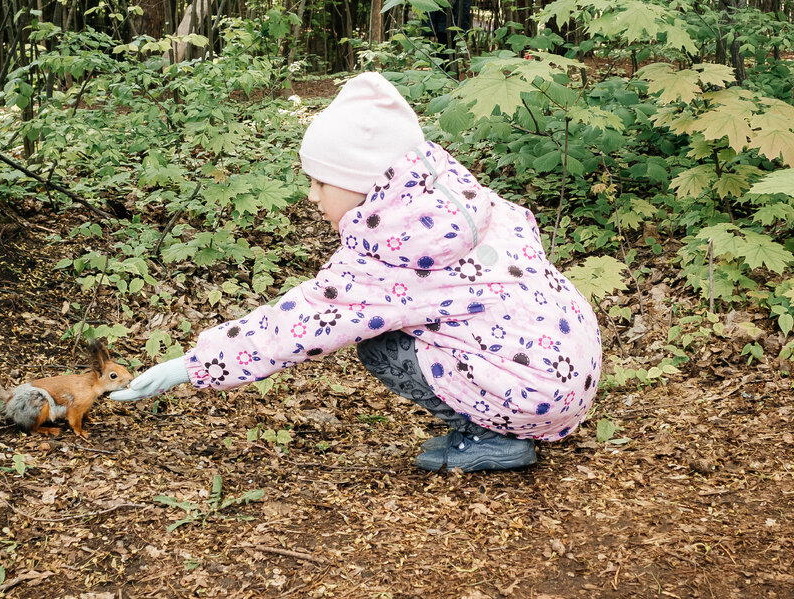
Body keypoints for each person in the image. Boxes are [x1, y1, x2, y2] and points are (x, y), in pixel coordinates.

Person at [109, 73, 602, 472]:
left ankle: (494, 439)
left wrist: (189, 366)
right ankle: (503, 417)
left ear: (364, 182)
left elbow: (297, 323)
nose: (312, 195)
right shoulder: (465, 207)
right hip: (571, 368)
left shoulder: (395, 255)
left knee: (381, 346)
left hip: (535, 394)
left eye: (321, 181)